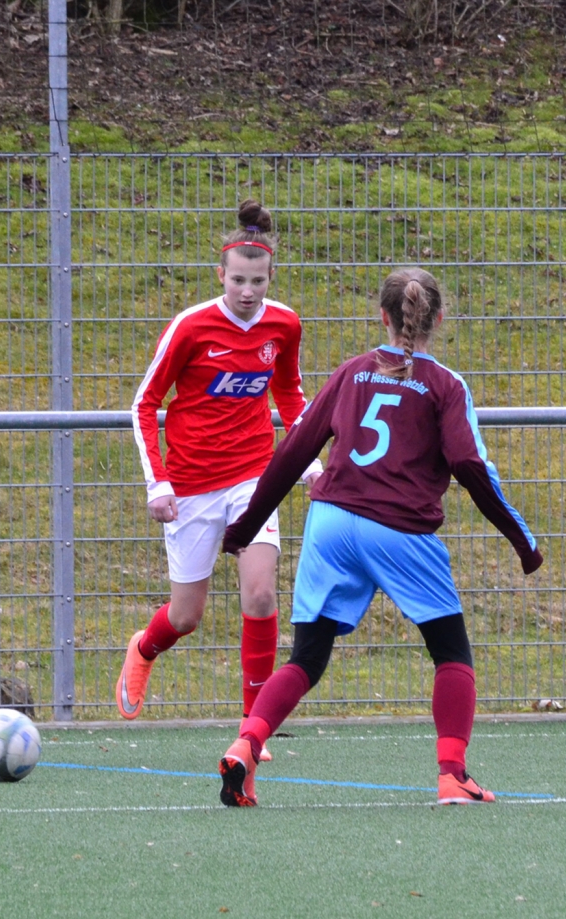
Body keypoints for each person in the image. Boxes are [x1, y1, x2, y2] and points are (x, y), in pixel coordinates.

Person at [217, 267, 543, 807]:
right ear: (439, 318)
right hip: (398, 527)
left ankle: (246, 744)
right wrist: (521, 540)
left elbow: (295, 449)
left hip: (331, 521)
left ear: (383, 317)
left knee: (306, 657)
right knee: (451, 651)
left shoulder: (351, 372)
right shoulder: (445, 384)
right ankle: (452, 776)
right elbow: (468, 463)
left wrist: (245, 527)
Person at [117, 199, 322, 752]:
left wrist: (309, 460)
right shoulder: (191, 327)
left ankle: (253, 730)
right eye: (238, 280)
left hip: (254, 476)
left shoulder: (284, 324)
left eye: (258, 281)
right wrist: (158, 482)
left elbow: (289, 394)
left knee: (261, 595)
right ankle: (144, 648)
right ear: (220, 275)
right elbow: (144, 403)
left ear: (271, 276)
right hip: (190, 485)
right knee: (186, 616)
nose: (248, 291)